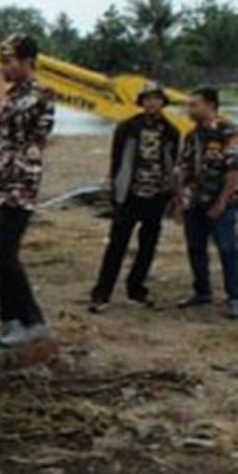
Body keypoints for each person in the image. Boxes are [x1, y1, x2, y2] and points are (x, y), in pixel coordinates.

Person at [0, 33, 56, 347]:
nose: (4, 68)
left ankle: (33, 320)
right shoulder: (12, 93)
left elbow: (7, 119)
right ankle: (8, 318)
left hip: (18, 185)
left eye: (9, 62)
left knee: (5, 254)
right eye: (1, 62)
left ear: (28, 62)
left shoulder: (41, 93)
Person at [89, 81, 181, 313]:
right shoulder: (127, 128)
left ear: (163, 102)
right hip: (129, 194)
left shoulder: (171, 131)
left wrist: (171, 192)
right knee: (117, 245)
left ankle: (136, 289)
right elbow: (116, 160)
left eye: (156, 98)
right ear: (141, 102)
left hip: (156, 195)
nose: (152, 103)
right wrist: (114, 187)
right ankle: (102, 293)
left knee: (147, 246)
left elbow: (172, 161)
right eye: (147, 98)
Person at [174, 86, 238, 319]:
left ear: (210, 105)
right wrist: (179, 201)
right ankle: (202, 291)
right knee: (195, 248)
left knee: (227, 248)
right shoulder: (192, 135)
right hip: (194, 201)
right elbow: (184, 167)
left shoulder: (228, 132)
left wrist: (222, 202)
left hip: (221, 201)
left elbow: (233, 172)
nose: (189, 109)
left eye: (194, 104)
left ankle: (234, 297)